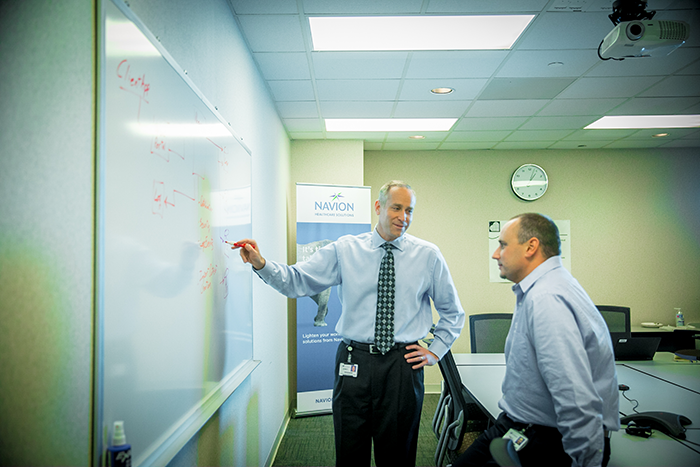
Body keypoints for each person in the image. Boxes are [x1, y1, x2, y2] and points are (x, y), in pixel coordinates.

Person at [232, 180, 465, 467]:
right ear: (378, 207)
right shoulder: (345, 250)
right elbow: (297, 281)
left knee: (398, 454)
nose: (403, 217)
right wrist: (261, 263)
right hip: (354, 364)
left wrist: (435, 350)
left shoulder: (428, 255)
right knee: (349, 450)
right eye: (396, 207)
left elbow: (453, 312)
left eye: (409, 210)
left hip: (402, 367)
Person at [453, 213, 619, 467]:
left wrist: (588, 463)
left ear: (531, 246)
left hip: (544, 439)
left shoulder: (547, 298)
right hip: (518, 427)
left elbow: (574, 396)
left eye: (503, 245)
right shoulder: (545, 288)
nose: (496, 253)